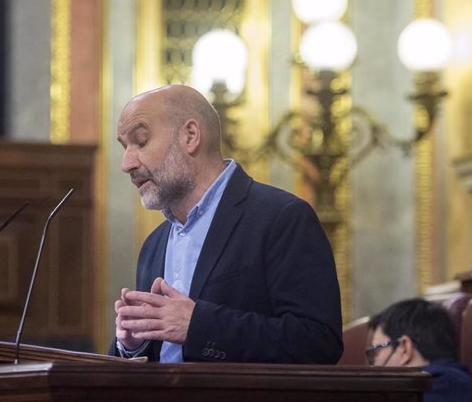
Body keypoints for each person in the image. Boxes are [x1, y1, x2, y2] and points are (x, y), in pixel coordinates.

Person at [107, 84, 343, 363]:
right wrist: (133, 343)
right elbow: (162, 353)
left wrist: (198, 326)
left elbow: (317, 342)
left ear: (190, 136)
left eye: (141, 141)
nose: (126, 163)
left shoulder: (283, 217)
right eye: (125, 147)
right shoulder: (153, 244)